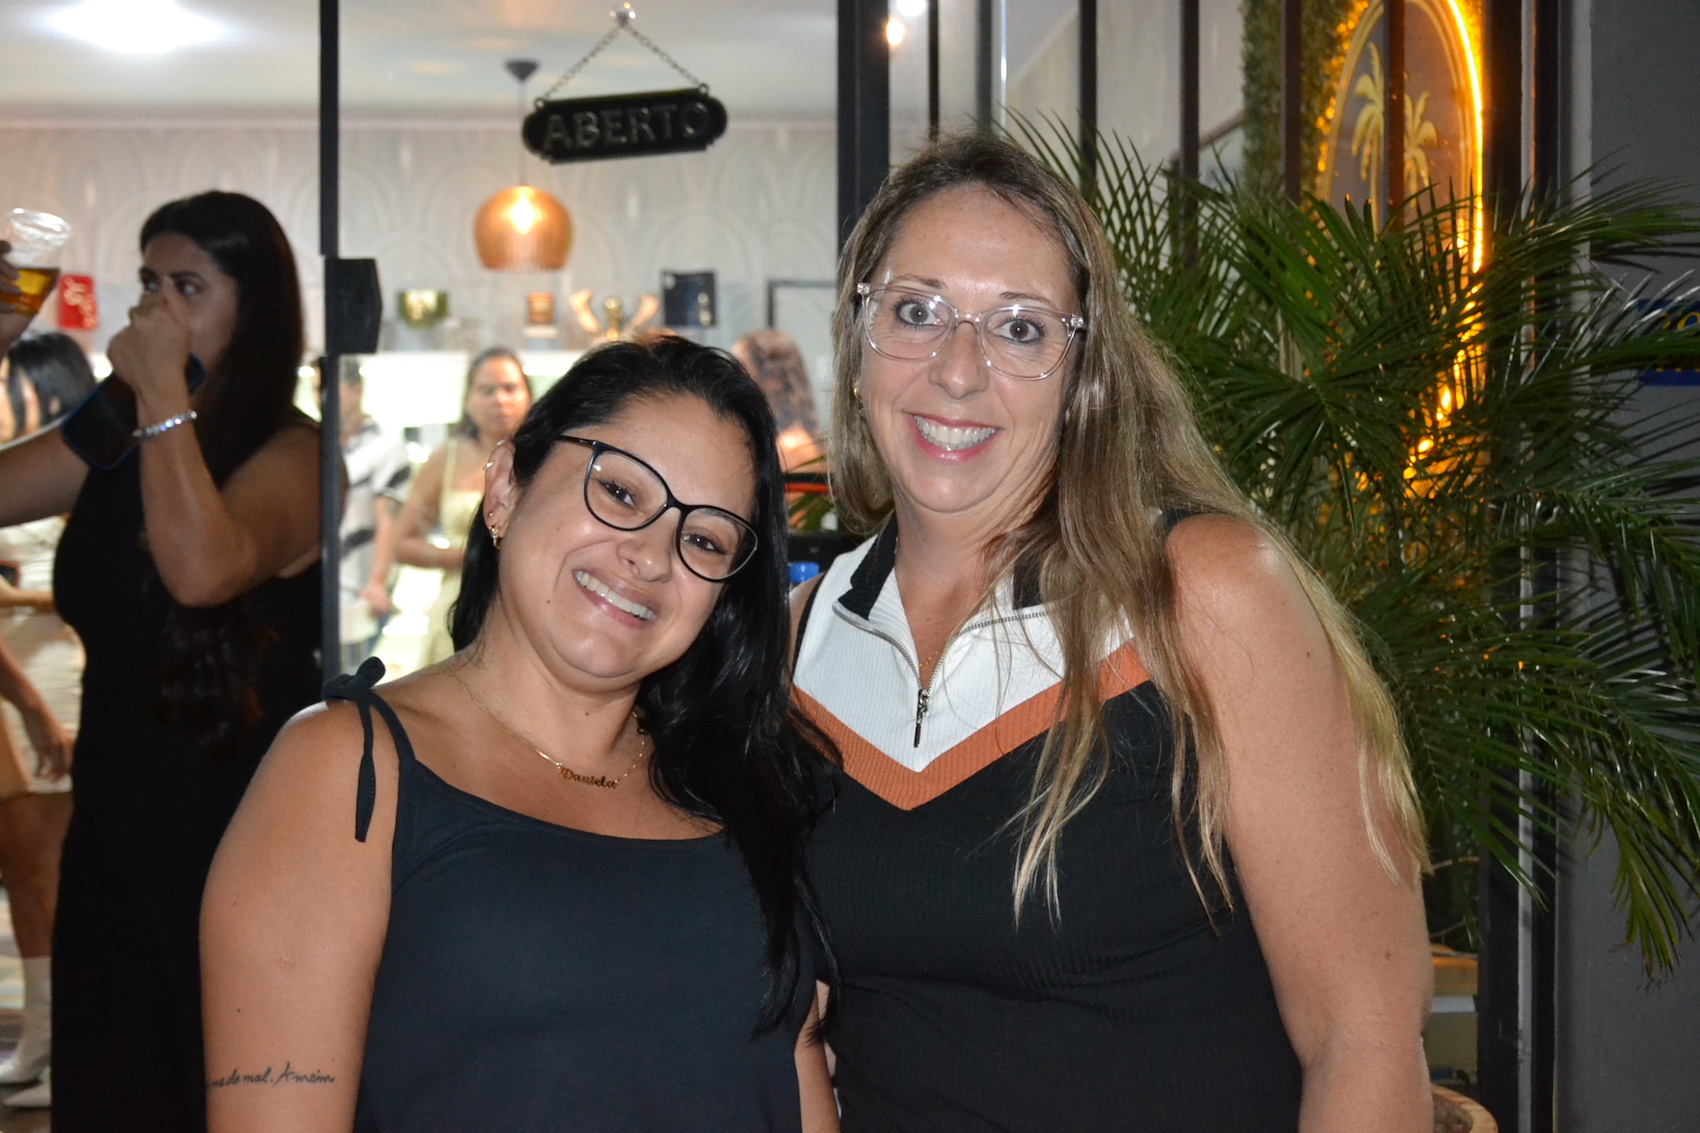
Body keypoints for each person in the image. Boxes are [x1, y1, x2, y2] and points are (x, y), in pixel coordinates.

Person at [790, 134, 1433, 1131]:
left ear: (1082, 370)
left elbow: (1366, 1037)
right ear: (858, 333)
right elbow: (797, 1031)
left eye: (1019, 328)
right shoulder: (801, 639)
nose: (956, 370)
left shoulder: (1201, 594)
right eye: (916, 311)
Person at [202, 337, 837, 1133]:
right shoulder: (347, 771)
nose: (650, 555)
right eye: (619, 491)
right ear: (504, 485)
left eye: (704, 538)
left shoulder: (740, 786)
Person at [0, 190, 322, 1132]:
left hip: (237, 833)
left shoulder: (297, 452)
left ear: (254, 308)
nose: (156, 310)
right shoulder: (119, 426)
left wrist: (163, 400)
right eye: (148, 284)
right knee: (112, 1088)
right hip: (114, 823)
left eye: (188, 287)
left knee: (216, 1089)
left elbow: (203, 570)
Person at [0, 332, 92, 1108]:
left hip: (52, 673)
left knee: (43, 863)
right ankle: (41, 1038)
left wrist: (22, 596)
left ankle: (65, 1044)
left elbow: (85, 582)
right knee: (19, 867)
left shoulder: (80, 467)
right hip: (12, 671)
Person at [394, 346, 531, 667]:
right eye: (487, 390)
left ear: (528, 395)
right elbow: (403, 542)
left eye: (510, 388)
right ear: (468, 400)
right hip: (459, 605)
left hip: (530, 607)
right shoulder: (447, 457)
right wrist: (469, 557)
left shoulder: (548, 457)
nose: (500, 399)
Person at [328, 360, 411, 672]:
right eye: (317, 390)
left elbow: (389, 517)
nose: (323, 399)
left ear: (355, 389)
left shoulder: (385, 445)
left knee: (349, 680)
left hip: (360, 592)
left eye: (331, 389)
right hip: (329, 588)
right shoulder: (321, 445)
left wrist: (377, 583)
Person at [732, 328, 823, 472]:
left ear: (772, 380)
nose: (730, 380)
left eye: (740, 369)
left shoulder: (790, 449)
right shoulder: (778, 443)